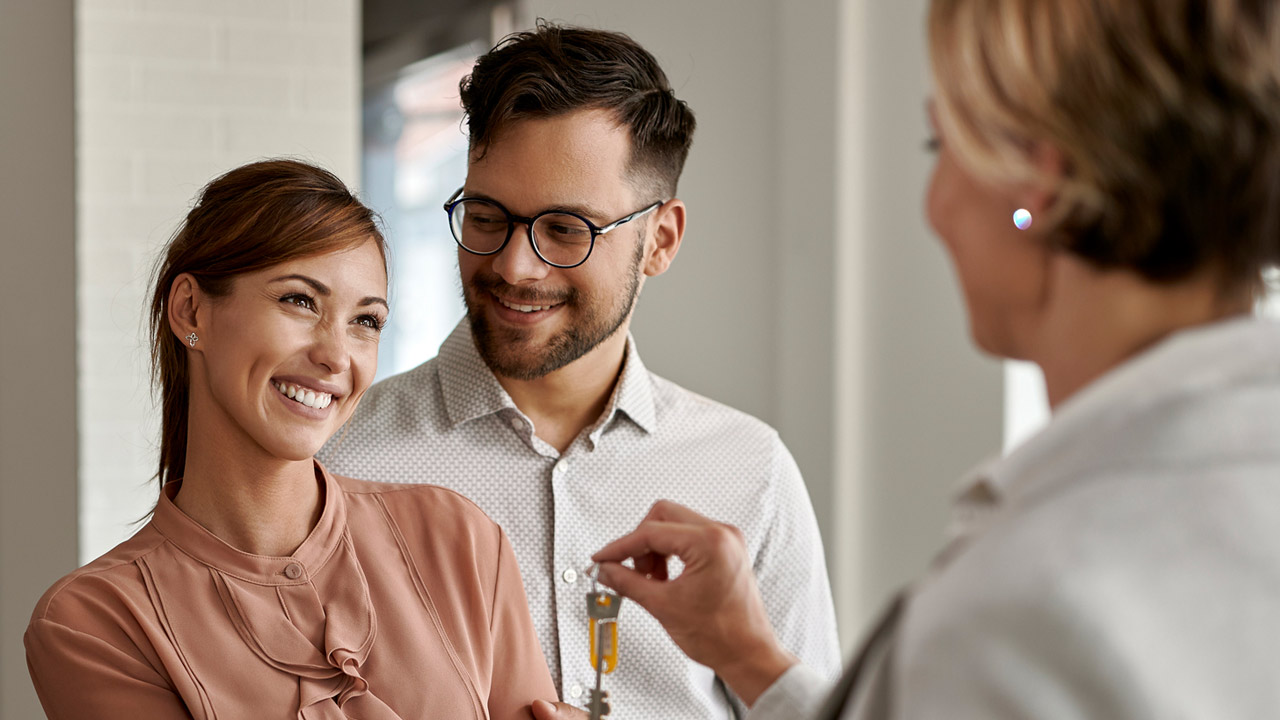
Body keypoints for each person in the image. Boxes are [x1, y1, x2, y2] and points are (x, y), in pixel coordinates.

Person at [533, 0, 1280, 718]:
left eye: (941, 145)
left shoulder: (1030, 605)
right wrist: (748, 655)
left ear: (1038, 187)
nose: (934, 203)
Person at [318, 22, 841, 717]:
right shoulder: (341, 461)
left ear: (660, 241)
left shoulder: (750, 473)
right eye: (486, 216)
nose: (513, 265)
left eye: (566, 229)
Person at [25, 160, 557, 719]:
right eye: (299, 301)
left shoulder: (460, 540)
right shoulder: (96, 624)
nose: (335, 355)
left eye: (366, 321)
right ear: (190, 309)